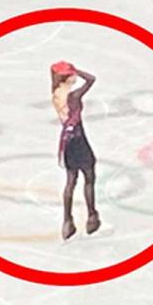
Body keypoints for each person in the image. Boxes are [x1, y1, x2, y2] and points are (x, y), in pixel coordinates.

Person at [50, 61, 100, 241]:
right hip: (78, 138)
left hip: (67, 140)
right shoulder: (73, 96)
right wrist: (78, 70)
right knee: (89, 176)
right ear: (66, 77)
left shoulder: (56, 93)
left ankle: (67, 220)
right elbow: (91, 80)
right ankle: (92, 216)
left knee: (71, 180)